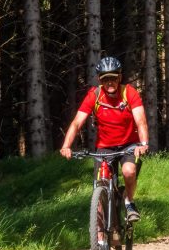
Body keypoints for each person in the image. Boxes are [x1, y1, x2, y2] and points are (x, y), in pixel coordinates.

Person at [60, 56, 149, 222]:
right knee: (100, 186)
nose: (110, 82)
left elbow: (141, 121)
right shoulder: (94, 96)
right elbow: (77, 123)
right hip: (105, 148)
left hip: (128, 145)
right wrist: (66, 146)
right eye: (105, 79)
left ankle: (129, 202)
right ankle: (100, 239)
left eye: (113, 78)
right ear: (100, 80)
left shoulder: (129, 93)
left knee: (129, 171)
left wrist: (143, 144)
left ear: (119, 78)